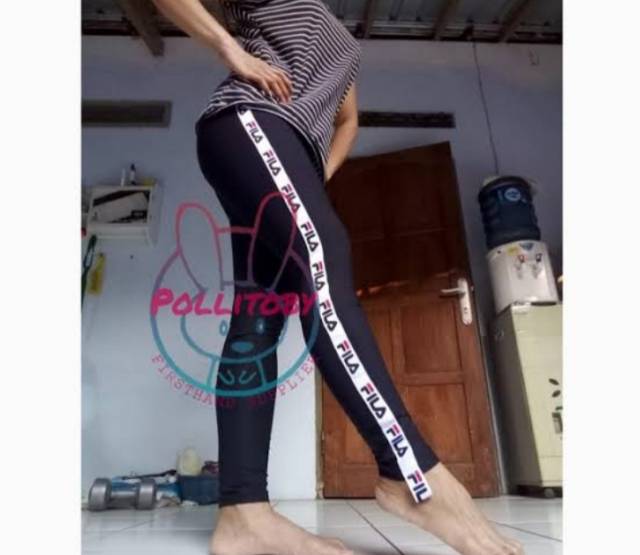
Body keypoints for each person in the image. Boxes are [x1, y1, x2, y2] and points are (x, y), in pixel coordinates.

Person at [150, 2, 525, 555]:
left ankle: (243, 515)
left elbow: (348, 119)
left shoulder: (335, 35)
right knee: (324, 256)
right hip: (251, 120)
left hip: (282, 146)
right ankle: (410, 472)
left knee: (258, 319)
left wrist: (318, 171)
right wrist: (229, 50)